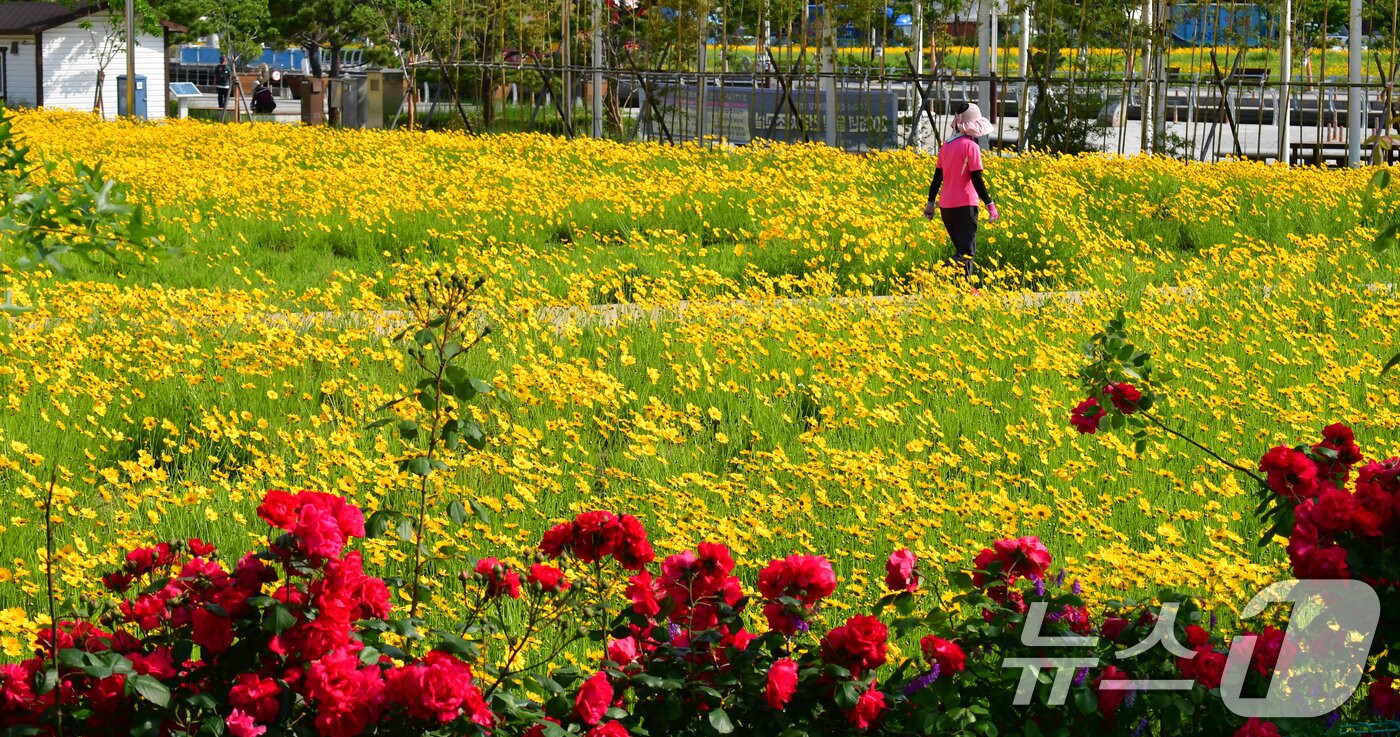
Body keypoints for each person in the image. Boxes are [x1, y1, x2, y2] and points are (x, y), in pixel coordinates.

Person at [923, 102, 999, 289]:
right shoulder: (970, 147)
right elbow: (977, 180)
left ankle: (967, 289)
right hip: (965, 205)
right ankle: (931, 277)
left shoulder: (946, 147)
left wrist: (930, 204)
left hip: (946, 207)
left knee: (962, 251)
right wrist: (990, 205)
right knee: (966, 252)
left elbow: (936, 179)